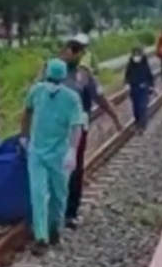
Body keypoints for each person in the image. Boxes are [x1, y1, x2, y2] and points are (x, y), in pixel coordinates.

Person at [46, 35, 123, 229]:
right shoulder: (52, 71)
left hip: (76, 131)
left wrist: (115, 117)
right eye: (76, 51)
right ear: (67, 51)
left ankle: (70, 213)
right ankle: (52, 209)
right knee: (53, 168)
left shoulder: (84, 75)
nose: (79, 55)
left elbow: (101, 98)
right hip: (54, 129)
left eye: (81, 52)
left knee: (74, 169)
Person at [20, 58, 84, 256]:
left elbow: (76, 126)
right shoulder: (37, 91)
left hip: (59, 153)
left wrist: (72, 150)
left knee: (59, 193)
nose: (51, 84)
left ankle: (55, 228)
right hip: (37, 151)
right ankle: (41, 237)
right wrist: (24, 136)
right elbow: (27, 111)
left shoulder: (71, 98)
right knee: (38, 193)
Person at [124, 46, 155, 132]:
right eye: (135, 55)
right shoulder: (130, 65)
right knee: (136, 108)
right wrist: (127, 84)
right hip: (134, 89)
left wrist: (151, 86)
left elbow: (150, 76)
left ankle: (142, 126)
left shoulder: (145, 65)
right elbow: (127, 76)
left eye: (138, 55)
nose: (136, 57)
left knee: (142, 107)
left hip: (143, 89)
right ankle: (137, 122)